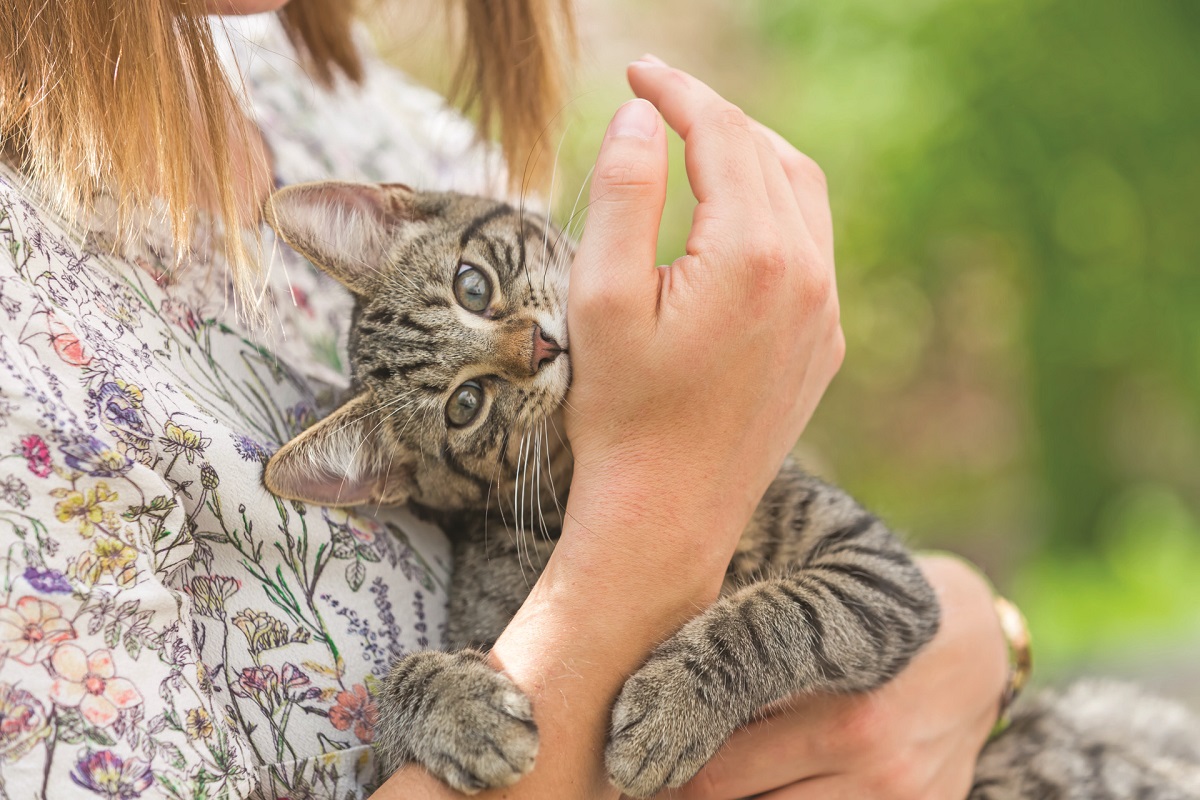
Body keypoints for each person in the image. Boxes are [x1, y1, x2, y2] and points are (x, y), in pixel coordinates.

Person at [0, 1, 1008, 798]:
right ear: (405, 480)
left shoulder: (352, 110)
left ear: (411, 212)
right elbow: (470, 707)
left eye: (476, 290)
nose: (527, 347)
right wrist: (665, 493)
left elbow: (901, 606)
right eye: (475, 405)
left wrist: (987, 639)